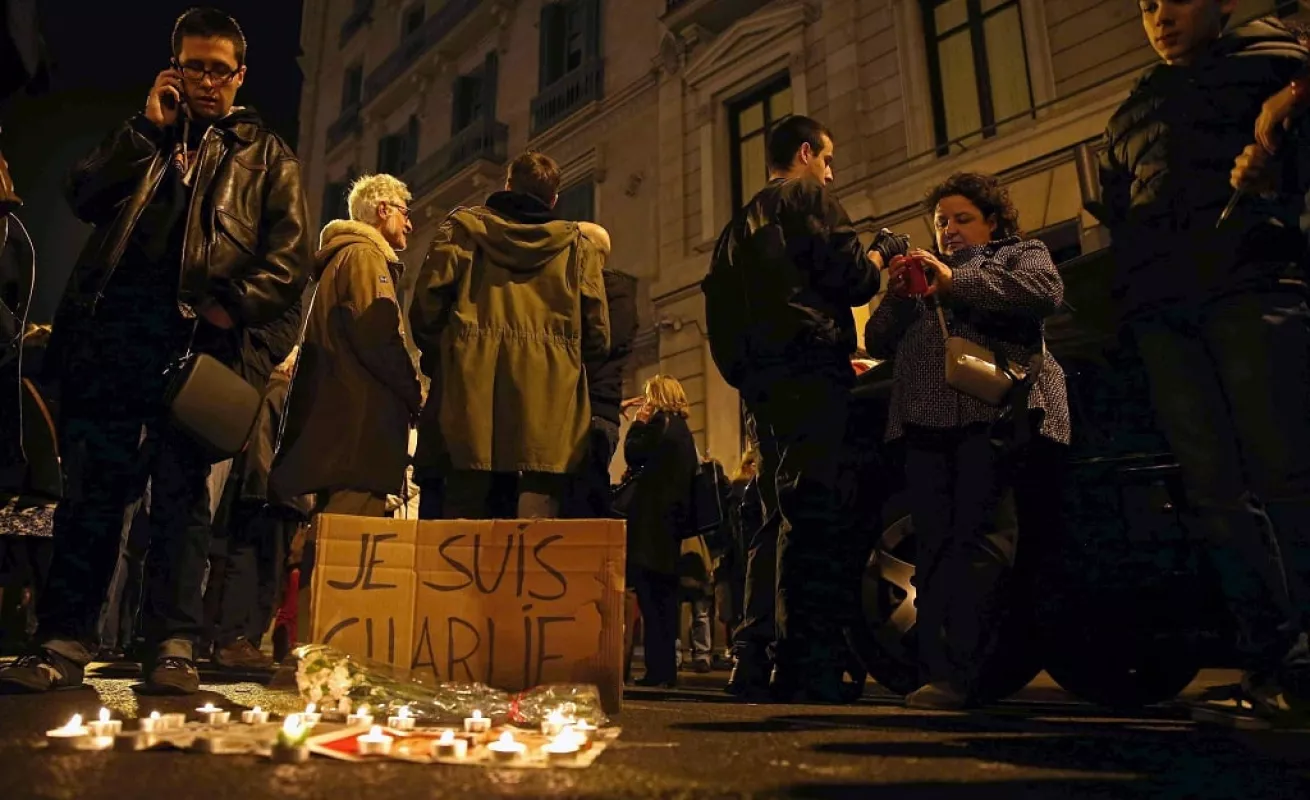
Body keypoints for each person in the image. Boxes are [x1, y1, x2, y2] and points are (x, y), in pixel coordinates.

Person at [0, 7, 310, 695]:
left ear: (240, 75)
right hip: (114, 339)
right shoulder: (144, 134)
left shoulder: (267, 155)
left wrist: (232, 308)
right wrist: (145, 129)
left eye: (219, 70)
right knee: (94, 495)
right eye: (194, 67)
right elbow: (83, 193)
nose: (207, 81)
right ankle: (61, 639)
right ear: (174, 68)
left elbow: (289, 259)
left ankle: (171, 643)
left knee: (181, 499)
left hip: (202, 347)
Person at [1088, 1, 1310, 728]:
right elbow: (1118, 215)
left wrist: (1281, 162)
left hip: (1254, 288)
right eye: (1146, 5)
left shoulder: (1274, 63)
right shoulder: (1132, 110)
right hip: (1167, 315)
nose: (1160, 16)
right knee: (1216, 494)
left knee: (1286, 475)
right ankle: (1273, 663)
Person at [703, 114, 900, 702]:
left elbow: (720, 316)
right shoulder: (807, 198)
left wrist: (747, 373)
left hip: (760, 383)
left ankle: (755, 656)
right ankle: (806, 664)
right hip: (811, 368)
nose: (831, 173)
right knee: (814, 508)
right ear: (807, 152)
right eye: (828, 159)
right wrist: (882, 255)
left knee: (774, 511)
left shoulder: (735, 228)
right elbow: (854, 278)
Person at [864, 172, 1069, 709]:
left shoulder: (1016, 254)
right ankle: (938, 672)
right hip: (925, 426)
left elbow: (1045, 292)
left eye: (962, 219)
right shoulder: (923, 274)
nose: (949, 230)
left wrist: (955, 282)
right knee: (932, 545)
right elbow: (877, 340)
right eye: (940, 222)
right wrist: (900, 294)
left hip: (993, 416)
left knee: (983, 542)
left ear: (992, 221)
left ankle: (968, 673)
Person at [410, 151, 609, 519]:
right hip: (548, 420)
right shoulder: (578, 248)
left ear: (507, 185)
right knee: (531, 537)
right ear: (553, 199)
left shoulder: (462, 231)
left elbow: (425, 310)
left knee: (460, 530)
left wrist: (448, 357)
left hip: (467, 407)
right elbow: (597, 336)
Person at [272, 173, 422, 518]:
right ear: (383, 210)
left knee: (328, 531)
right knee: (348, 533)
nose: (410, 224)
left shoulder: (344, 258)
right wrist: (414, 392)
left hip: (341, 430)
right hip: (360, 431)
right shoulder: (365, 257)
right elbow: (377, 334)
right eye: (405, 212)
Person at [621, 375, 700, 687]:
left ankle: (657, 671)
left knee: (651, 600)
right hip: (671, 525)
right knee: (666, 602)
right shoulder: (682, 430)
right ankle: (665, 670)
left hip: (650, 525)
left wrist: (637, 424)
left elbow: (633, 452)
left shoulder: (658, 424)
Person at [565, 267, 639, 518]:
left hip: (585, 415)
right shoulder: (626, 303)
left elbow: (587, 360)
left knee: (575, 508)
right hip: (604, 413)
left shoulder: (599, 303)